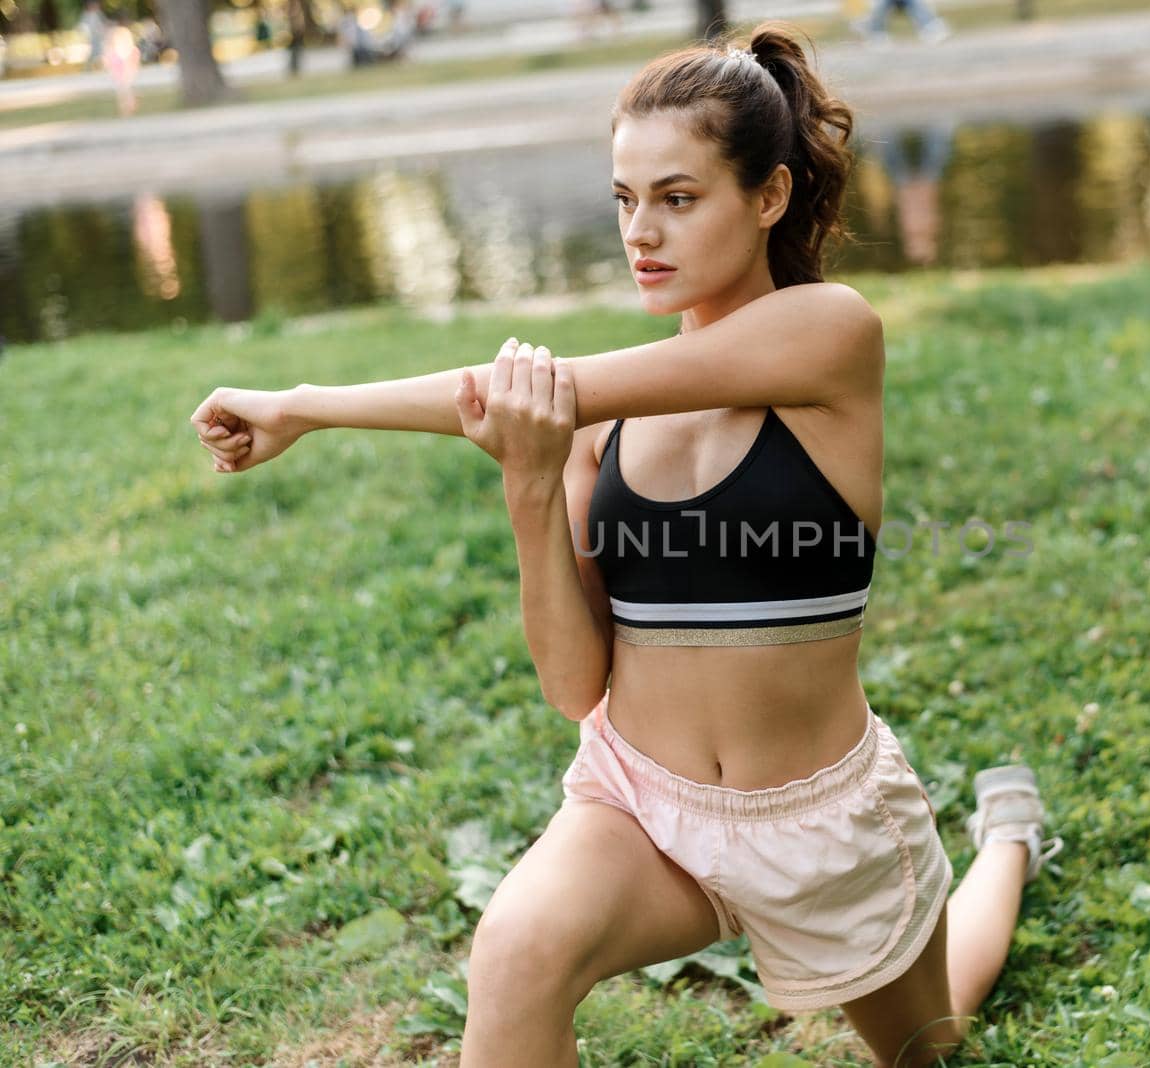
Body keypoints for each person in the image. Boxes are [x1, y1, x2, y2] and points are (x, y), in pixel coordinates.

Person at [186, 21, 1061, 1066]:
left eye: (678, 197)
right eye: (624, 199)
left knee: (933, 1042)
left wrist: (304, 404)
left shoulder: (829, 335)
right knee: (514, 949)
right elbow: (572, 686)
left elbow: (543, 386)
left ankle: (1003, 839)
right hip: (645, 807)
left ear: (769, 196)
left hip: (820, 822)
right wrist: (527, 482)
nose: (640, 232)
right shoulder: (592, 429)